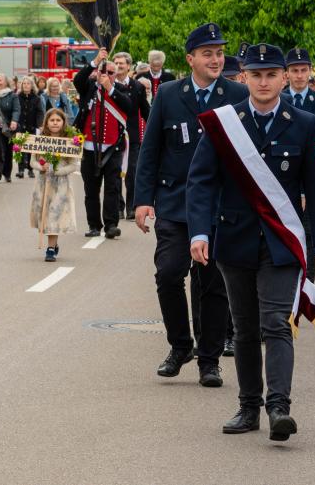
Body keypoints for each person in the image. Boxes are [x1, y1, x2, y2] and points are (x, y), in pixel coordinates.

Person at [187, 43, 315, 442]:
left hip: (282, 242)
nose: (264, 82)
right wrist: (199, 232)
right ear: (244, 78)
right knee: (246, 328)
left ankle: (279, 407)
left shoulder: (303, 122)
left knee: (276, 324)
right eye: (256, 74)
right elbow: (201, 180)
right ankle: (249, 406)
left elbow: (314, 188)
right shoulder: (224, 123)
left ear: (285, 78)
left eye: (271, 74)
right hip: (234, 238)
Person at [134, 23, 248, 388]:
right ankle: (181, 346)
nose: (216, 59)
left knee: (211, 283)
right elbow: (150, 150)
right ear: (190, 59)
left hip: (219, 206)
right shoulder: (168, 94)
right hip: (174, 202)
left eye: (219, 53)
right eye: (208, 53)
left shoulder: (237, 94)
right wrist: (141, 200)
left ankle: (209, 359)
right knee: (168, 274)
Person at [281, 47, 315, 280]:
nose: (300, 75)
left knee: (311, 234)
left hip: (313, 177)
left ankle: (306, 287)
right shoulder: (278, 98)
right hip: (284, 179)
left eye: (304, 70)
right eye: (295, 70)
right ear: (287, 73)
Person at [73, 50, 132, 238]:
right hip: (90, 147)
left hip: (113, 147)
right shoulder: (88, 87)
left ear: (117, 75)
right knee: (91, 189)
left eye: (110, 73)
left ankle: (111, 224)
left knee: (112, 187)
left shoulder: (121, 90)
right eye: (102, 72)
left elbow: (129, 107)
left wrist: (111, 89)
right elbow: (77, 80)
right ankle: (93, 225)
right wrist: (94, 61)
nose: (106, 76)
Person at [30, 108, 79, 263]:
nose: (55, 123)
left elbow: (73, 165)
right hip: (43, 183)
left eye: (58, 120)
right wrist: (41, 167)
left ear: (63, 122)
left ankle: (50, 249)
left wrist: (59, 170)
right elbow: (33, 161)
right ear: (47, 122)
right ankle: (54, 243)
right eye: (52, 120)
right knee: (44, 214)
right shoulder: (40, 140)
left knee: (54, 213)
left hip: (61, 185)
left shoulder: (70, 141)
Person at [114, 51, 150, 221]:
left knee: (132, 173)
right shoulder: (108, 85)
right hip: (112, 136)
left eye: (122, 63)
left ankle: (131, 207)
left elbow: (145, 111)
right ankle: (118, 207)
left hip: (132, 136)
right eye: (116, 63)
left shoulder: (138, 87)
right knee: (114, 173)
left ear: (129, 66)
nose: (119, 66)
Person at [0, 74, 19, 184]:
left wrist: (14, 120)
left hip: (8, 128)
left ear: (6, 82)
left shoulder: (12, 96)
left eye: (0, 80)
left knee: (8, 151)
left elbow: (16, 110)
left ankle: (7, 173)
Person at [14, 76, 43, 178]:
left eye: (28, 83)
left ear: (32, 86)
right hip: (20, 126)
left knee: (31, 149)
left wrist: (40, 125)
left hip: (31, 126)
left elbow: (40, 112)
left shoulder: (37, 98)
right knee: (20, 149)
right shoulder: (17, 97)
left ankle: (30, 169)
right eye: (24, 83)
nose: (26, 85)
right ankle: (20, 169)